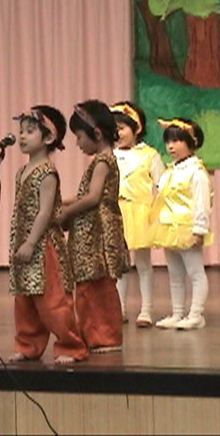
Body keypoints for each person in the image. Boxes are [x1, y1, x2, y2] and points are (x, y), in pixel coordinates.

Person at [8, 106, 89, 364]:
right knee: (25, 299)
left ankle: (70, 345)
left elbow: (45, 211)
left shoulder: (47, 172)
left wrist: (32, 242)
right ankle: (28, 344)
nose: (22, 136)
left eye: (30, 131)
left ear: (49, 137)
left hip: (44, 246)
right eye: (21, 131)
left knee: (52, 300)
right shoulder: (22, 171)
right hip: (24, 243)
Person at [58, 100, 129, 354]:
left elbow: (93, 197)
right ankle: (94, 334)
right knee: (90, 284)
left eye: (79, 137)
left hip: (97, 232)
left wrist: (66, 211)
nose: (78, 143)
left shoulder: (102, 161)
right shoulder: (104, 159)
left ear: (96, 133)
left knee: (96, 286)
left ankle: (104, 336)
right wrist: (63, 202)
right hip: (93, 229)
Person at [150, 118, 213, 330]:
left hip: (187, 228)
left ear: (191, 142)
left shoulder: (196, 172)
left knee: (195, 273)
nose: (171, 146)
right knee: (175, 274)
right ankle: (177, 313)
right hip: (169, 228)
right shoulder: (170, 171)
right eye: (168, 141)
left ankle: (196, 314)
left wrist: (199, 230)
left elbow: (202, 203)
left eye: (177, 141)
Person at [111, 102, 164, 327]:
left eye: (122, 128)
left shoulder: (149, 155)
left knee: (143, 263)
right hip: (117, 212)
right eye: (114, 128)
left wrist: (159, 213)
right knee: (119, 265)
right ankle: (119, 308)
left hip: (141, 212)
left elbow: (162, 184)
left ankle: (146, 310)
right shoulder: (110, 155)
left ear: (137, 128)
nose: (118, 133)